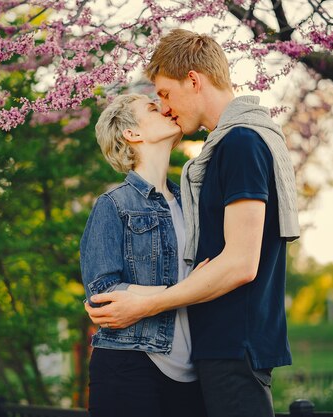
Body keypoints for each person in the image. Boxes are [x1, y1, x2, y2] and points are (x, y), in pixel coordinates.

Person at [85, 29, 301, 417]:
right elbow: (103, 292)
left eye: (164, 95)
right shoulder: (207, 163)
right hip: (199, 355)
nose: (165, 108)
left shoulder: (239, 144)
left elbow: (239, 263)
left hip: (232, 345)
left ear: (194, 81)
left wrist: (148, 302)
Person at [80, 93, 207, 417]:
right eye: (152, 108)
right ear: (132, 134)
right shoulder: (114, 204)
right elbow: (102, 292)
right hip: (129, 366)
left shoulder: (190, 203)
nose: (166, 107)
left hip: (191, 373)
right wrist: (184, 292)